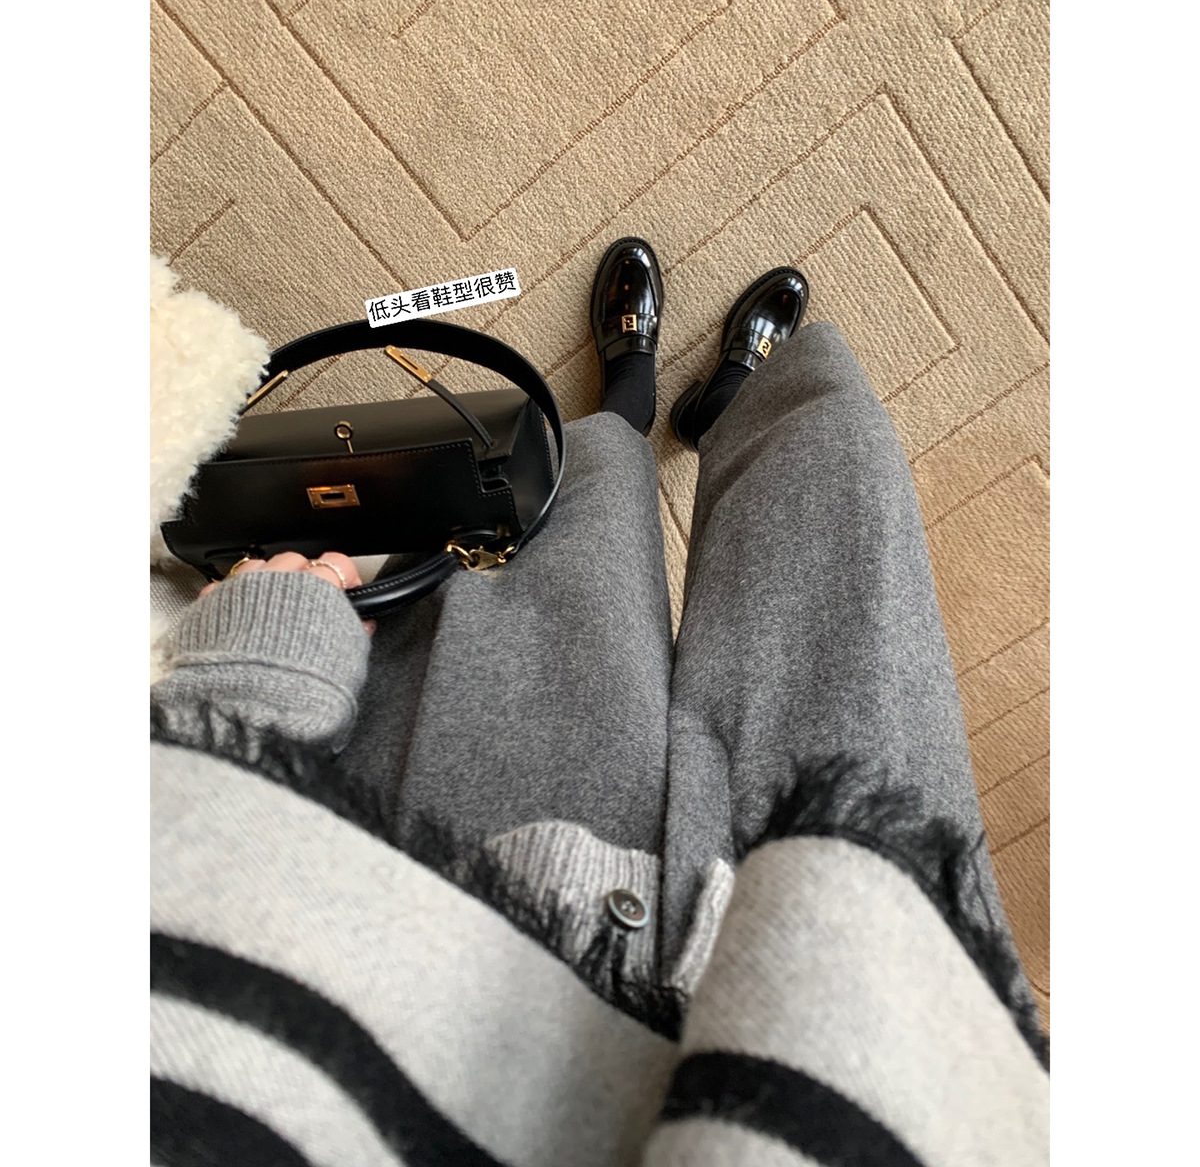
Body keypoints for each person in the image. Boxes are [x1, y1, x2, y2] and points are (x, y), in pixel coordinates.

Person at [150, 238, 1049, 1166]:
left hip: (452, 912)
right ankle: (729, 408)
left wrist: (247, 695)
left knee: (547, 549)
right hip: (885, 1005)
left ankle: (621, 414)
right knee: (837, 510)